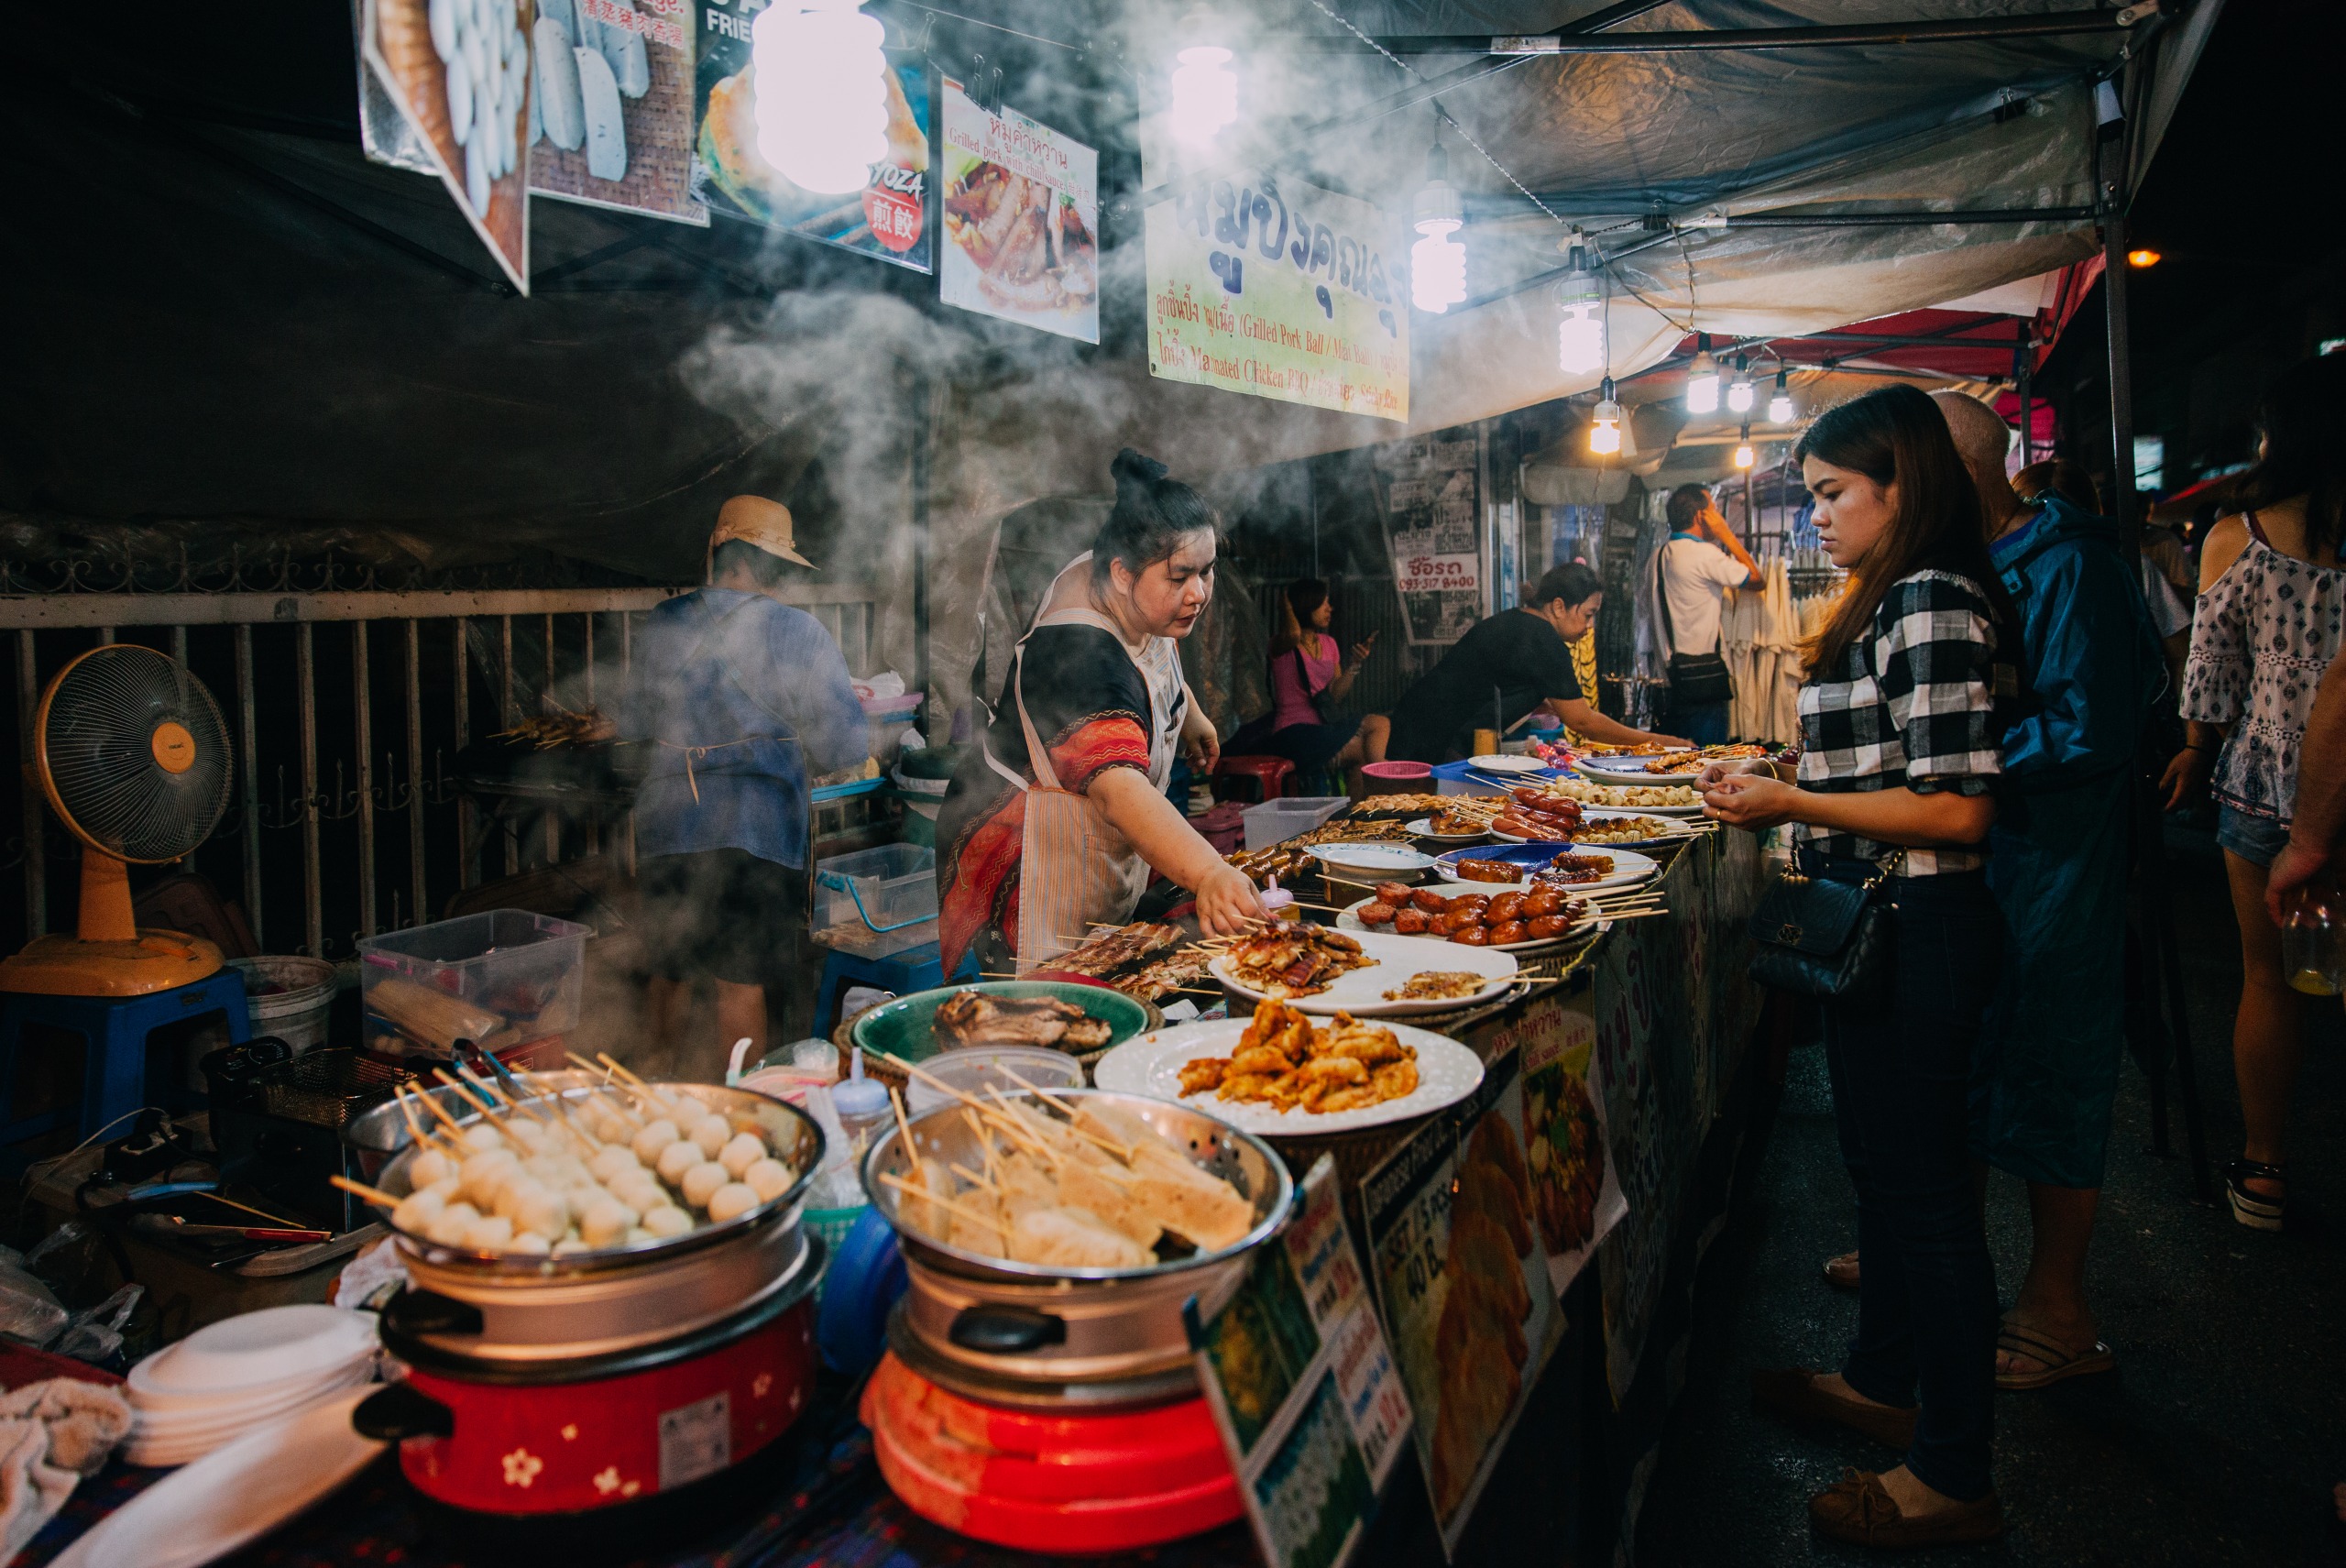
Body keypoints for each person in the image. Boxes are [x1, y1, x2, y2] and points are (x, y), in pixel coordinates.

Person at [1716, 385, 2015, 1549]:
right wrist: (1787, 770)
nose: (1818, 518)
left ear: (1902, 483)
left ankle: (1954, 1470)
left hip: (1924, 930)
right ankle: (1884, 1382)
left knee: (1928, 1200)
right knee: (1885, 1178)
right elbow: (1886, 755)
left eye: (1834, 494)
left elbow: (1956, 807)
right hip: (1880, 925)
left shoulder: (1933, 596)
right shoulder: (1887, 599)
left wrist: (1789, 795)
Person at [1935, 390, 2164, 1390]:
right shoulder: (1979, 560)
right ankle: (1950, 1264)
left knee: (2052, 1067)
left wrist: (1956, 755)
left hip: (2058, 862)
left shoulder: (2070, 565)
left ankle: (2058, 1310)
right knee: (1974, 1053)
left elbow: (2089, 728)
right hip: (1993, 854)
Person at [937, 450, 1265, 978]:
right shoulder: (1078, 657)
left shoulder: (1120, 583)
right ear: (1121, 573)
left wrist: (1191, 713)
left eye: (1207, 571)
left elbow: (1152, 644)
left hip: (1082, 843)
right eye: (1180, 577)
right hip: (1025, 859)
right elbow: (1118, 791)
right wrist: (1208, 872)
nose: (1199, 593)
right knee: (1041, 1009)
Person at [2160, 354, 2346, 1232]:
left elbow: (2209, 675)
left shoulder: (2240, 533)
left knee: (2267, 979)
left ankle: (2265, 1168)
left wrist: (2196, 749)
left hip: (2269, 785)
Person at [627, 495, 870, 1069]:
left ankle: (660, 1092)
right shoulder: (799, 632)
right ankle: (747, 1105)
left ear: (718, 550)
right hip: (754, 829)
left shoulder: (664, 622)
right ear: (777, 566)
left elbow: (634, 721)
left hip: (667, 823)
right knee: (739, 981)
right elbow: (846, 746)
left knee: (668, 967)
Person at [1381, 564, 1686, 762]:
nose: (1590, 627)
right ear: (1558, 606)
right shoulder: (1543, 639)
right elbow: (1583, 721)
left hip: (1417, 731)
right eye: (1588, 614)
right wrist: (1660, 742)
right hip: (1425, 746)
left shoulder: (1520, 622)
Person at [1654, 484, 1763, 745]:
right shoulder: (1704, 554)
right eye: (1714, 510)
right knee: (1708, 765)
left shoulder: (1657, 556)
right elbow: (1757, 579)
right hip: (1703, 683)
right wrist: (1726, 534)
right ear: (1701, 516)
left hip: (1670, 681)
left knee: (1675, 766)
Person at [1248, 578, 1379, 775]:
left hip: (1323, 728)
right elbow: (1294, 634)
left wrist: (1355, 664)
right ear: (1306, 604)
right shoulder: (1281, 644)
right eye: (1323, 603)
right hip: (1292, 733)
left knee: (1379, 724)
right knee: (1362, 751)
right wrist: (1286, 603)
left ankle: (1379, 786)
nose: (1329, 609)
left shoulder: (1329, 644)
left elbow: (1335, 695)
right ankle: (1386, 783)